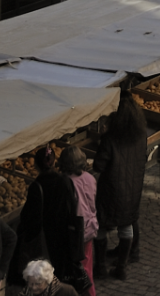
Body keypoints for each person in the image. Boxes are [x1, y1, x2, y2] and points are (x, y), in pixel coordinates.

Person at [92, 91, 147, 282]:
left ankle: (99, 268)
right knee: (126, 225)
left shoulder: (110, 140)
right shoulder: (141, 137)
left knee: (100, 228)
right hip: (132, 190)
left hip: (111, 191)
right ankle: (121, 267)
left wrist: (101, 139)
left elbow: (98, 165)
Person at [22, 145, 87, 294]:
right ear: (54, 162)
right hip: (64, 237)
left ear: (36, 165)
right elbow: (72, 207)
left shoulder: (36, 186)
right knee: (61, 274)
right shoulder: (65, 180)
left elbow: (29, 219)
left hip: (47, 239)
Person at [62, 146, 98, 292]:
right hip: (90, 226)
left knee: (79, 271)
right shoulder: (90, 178)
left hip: (76, 231)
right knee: (87, 265)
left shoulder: (67, 182)